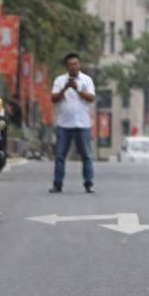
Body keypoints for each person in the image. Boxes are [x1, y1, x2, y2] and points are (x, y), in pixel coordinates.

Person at [50, 53, 96, 193]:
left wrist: (77, 89)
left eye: (76, 64)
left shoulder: (86, 80)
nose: (73, 67)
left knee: (86, 155)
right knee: (60, 156)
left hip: (82, 124)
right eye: (70, 64)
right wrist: (65, 88)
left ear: (79, 65)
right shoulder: (59, 80)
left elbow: (91, 98)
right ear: (66, 66)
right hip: (64, 124)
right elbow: (54, 98)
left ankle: (88, 183)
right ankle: (58, 184)